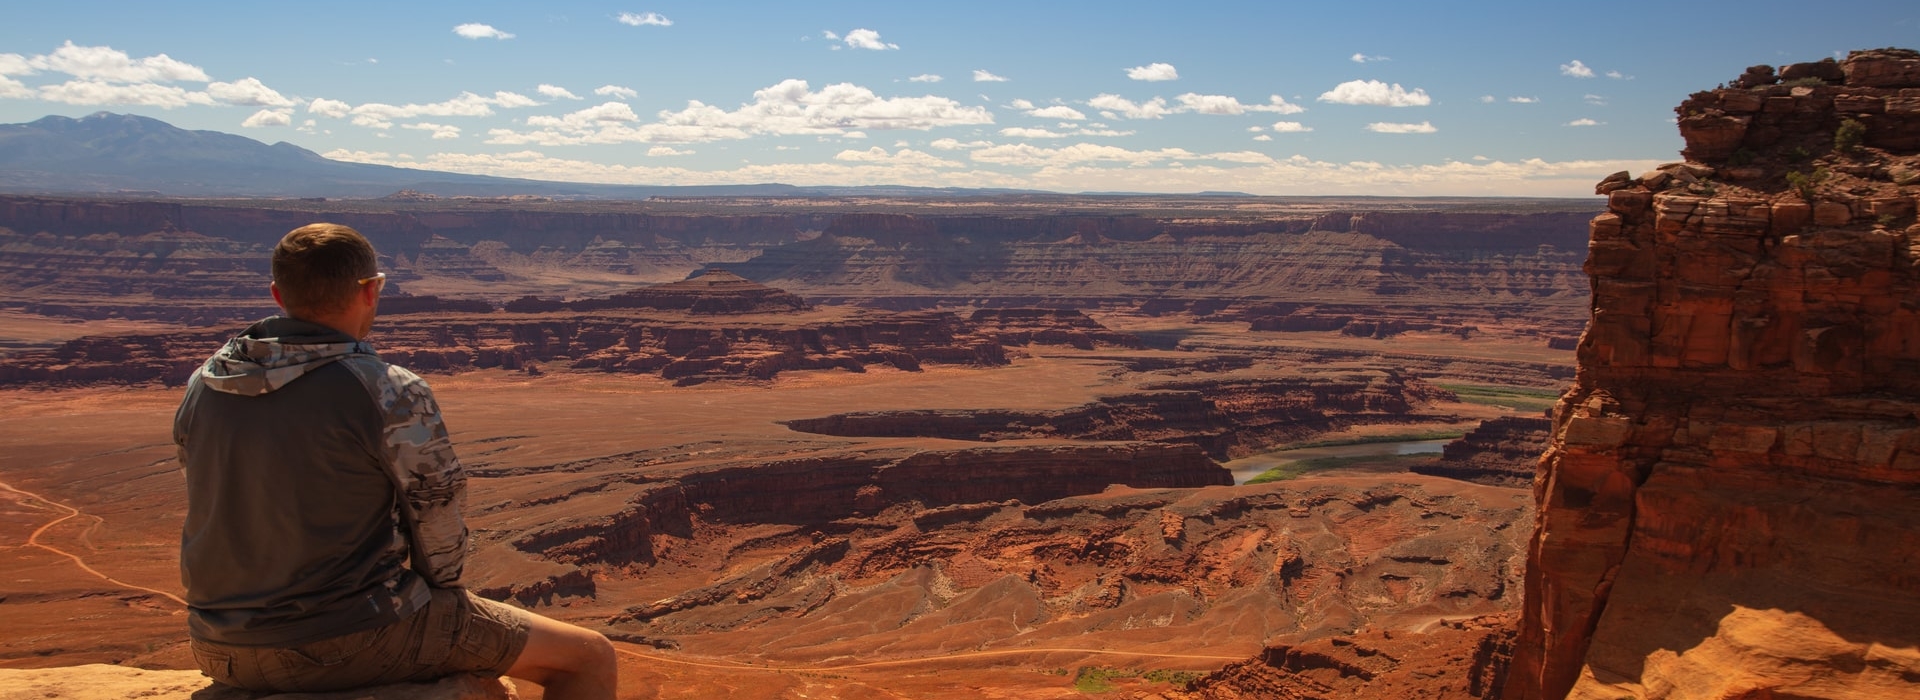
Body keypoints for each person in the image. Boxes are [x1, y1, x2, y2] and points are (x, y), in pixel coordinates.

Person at [175, 223, 618, 698]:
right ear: (371, 290)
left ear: (277, 294)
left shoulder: (205, 383)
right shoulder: (387, 389)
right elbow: (438, 526)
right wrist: (442, 596)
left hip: (218, 645)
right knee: (587, 657)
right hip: (349, 638)